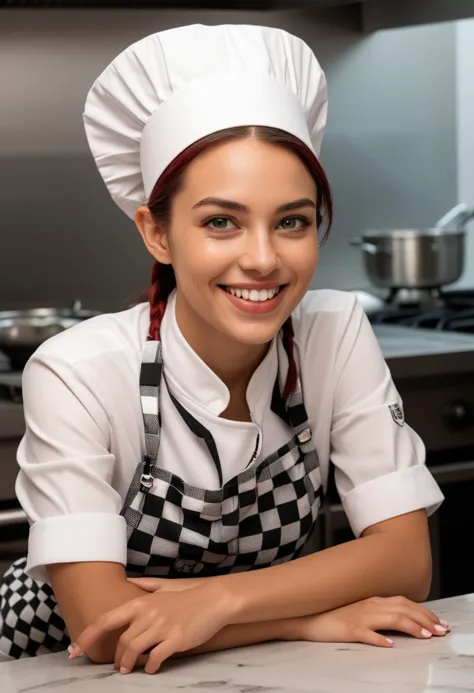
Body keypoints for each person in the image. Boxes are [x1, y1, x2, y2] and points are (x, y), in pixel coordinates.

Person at [0, 24, 446, 674]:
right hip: (51, 667)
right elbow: (101, 626)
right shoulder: (75, 371)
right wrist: (308, 617)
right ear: (156, 231)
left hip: (241, 670)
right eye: (221, 222)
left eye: (291, 221)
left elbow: (407, 559)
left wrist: (218, 600)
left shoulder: (335, 331)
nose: (263, 259)